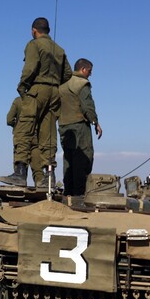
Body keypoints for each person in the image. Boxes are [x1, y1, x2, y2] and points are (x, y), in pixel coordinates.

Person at [0, 17, 72, 187]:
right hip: (55, 93)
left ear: (34, 30)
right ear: (48, 30)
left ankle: (20, 173)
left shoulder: (34, 44)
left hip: (38, 90)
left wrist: (22, 86)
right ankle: (49, 176)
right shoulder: (59, 49)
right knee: (48, 134)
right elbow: (68, 73)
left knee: (24, 130)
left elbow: (30, 68)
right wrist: (55, 83)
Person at [58, 58, 102, 196]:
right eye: (89, 71)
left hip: (64, 126)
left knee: (68, 160)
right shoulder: (82, 83)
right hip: (79, 126)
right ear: (83, 69)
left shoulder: (63, 84)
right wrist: (95, 122)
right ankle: (79, 195)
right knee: (83, 158)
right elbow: (87, 106)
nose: (90, 74)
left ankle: (68, 193)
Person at [6, 97, 45, 185]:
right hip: (36, 137)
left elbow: (9, 119)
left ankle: (20, 184)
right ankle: (41, 185)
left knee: (20, 164)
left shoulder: (18, 101)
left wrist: (17, 126)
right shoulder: (39, 101)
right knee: (38, 168)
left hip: (21, 137)